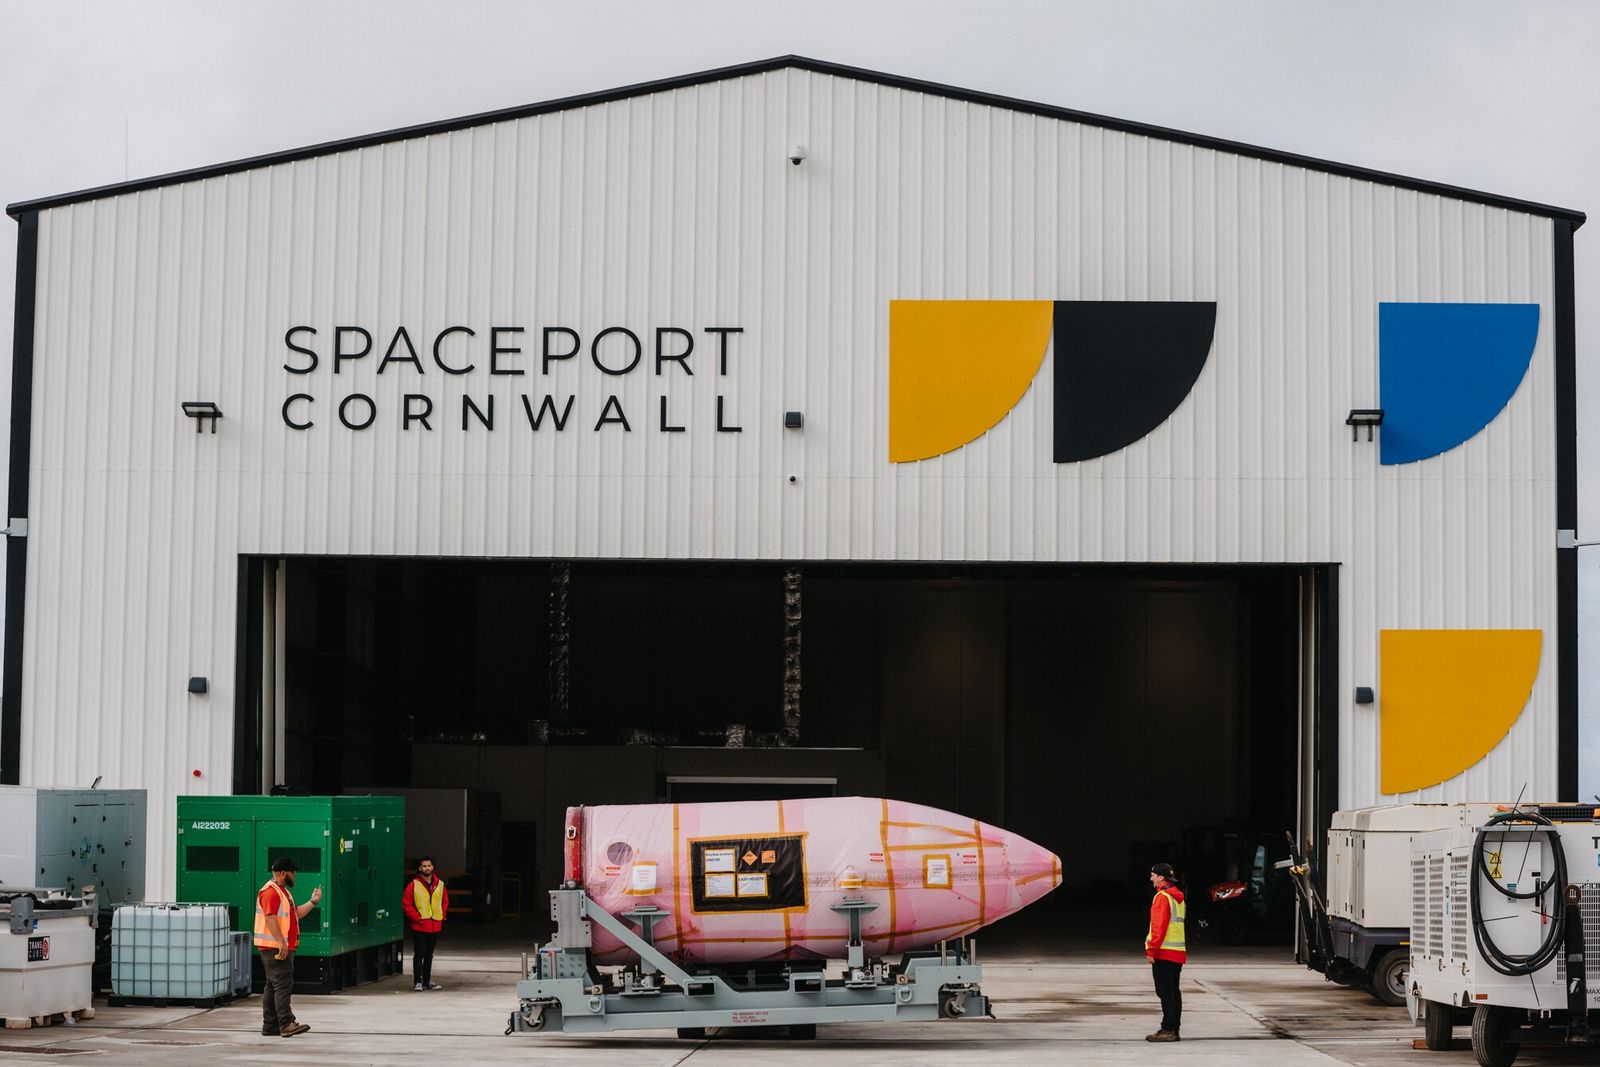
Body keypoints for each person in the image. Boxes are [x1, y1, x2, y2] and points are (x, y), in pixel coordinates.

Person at [254, 855, 323, 1038]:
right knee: (282, 984)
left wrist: (313, 902)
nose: (295, 877)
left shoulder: (282, 892)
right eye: (294, 873)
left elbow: (296, 914)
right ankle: (286, 1023)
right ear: (284, 872)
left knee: (273, 985)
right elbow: (270, 918)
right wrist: (281, 943)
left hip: (274, 946)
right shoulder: (271, 892)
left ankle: (270, 1025)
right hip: (275, 947)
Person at [1144, 861, 1187, 1042]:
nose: (1151, 877)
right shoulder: (1178, 897)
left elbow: (1158, 927)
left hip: (1163, 952)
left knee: (1165, 992)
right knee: (1173, 991)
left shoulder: (1162, 897)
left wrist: (1152, 951)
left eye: (1153, 874)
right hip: (1177, 953)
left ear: (1161, 877)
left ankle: (1168, 1029)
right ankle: (1174, 1028)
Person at [402, 856, 449, 991]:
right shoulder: (413, 885)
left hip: (434, 925)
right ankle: (417, 981)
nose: (427, 868)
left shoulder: (440, 884)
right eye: (424, 866)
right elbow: (407, 904)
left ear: (432, 867)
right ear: (419, 869)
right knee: (419, 954)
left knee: (429, 955)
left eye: (429, 865)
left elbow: (444, 901)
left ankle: (427, 981)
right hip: (420, 926)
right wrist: (418, 918)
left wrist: (442, 915)